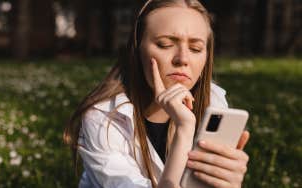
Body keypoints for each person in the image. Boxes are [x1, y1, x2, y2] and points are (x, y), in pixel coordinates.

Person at [64, 0, 250, 187]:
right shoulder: (103, 119)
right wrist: (185, 129)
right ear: (137, 50)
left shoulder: (214, 102)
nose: (183, 59)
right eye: (165, 44)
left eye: (195, 49)